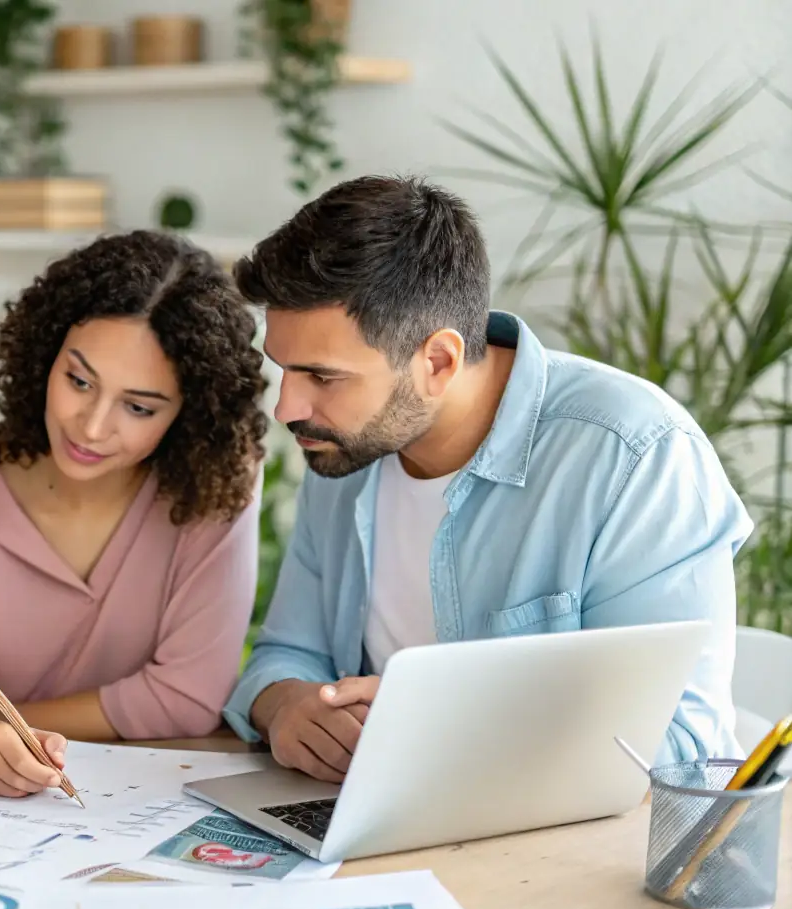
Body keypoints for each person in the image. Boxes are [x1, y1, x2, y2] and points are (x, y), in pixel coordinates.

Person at [222, 175, 752, 781]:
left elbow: (683, 744)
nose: (287, 408)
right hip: (371, 821)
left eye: (322, 377)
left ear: (438, 361)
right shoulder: (342, 448)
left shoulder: (636, 457)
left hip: (562, 848)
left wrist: (438, 727)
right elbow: (285, 654)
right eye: (285, 371)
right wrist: (285, 705)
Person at [0, 230, 269, 798]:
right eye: (78, 381)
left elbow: (189, 698)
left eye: (139, 407)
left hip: (163, 798)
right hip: (7, 809)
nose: (92, 427)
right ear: (45, 354)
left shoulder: (217, 490)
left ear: (189, 414)